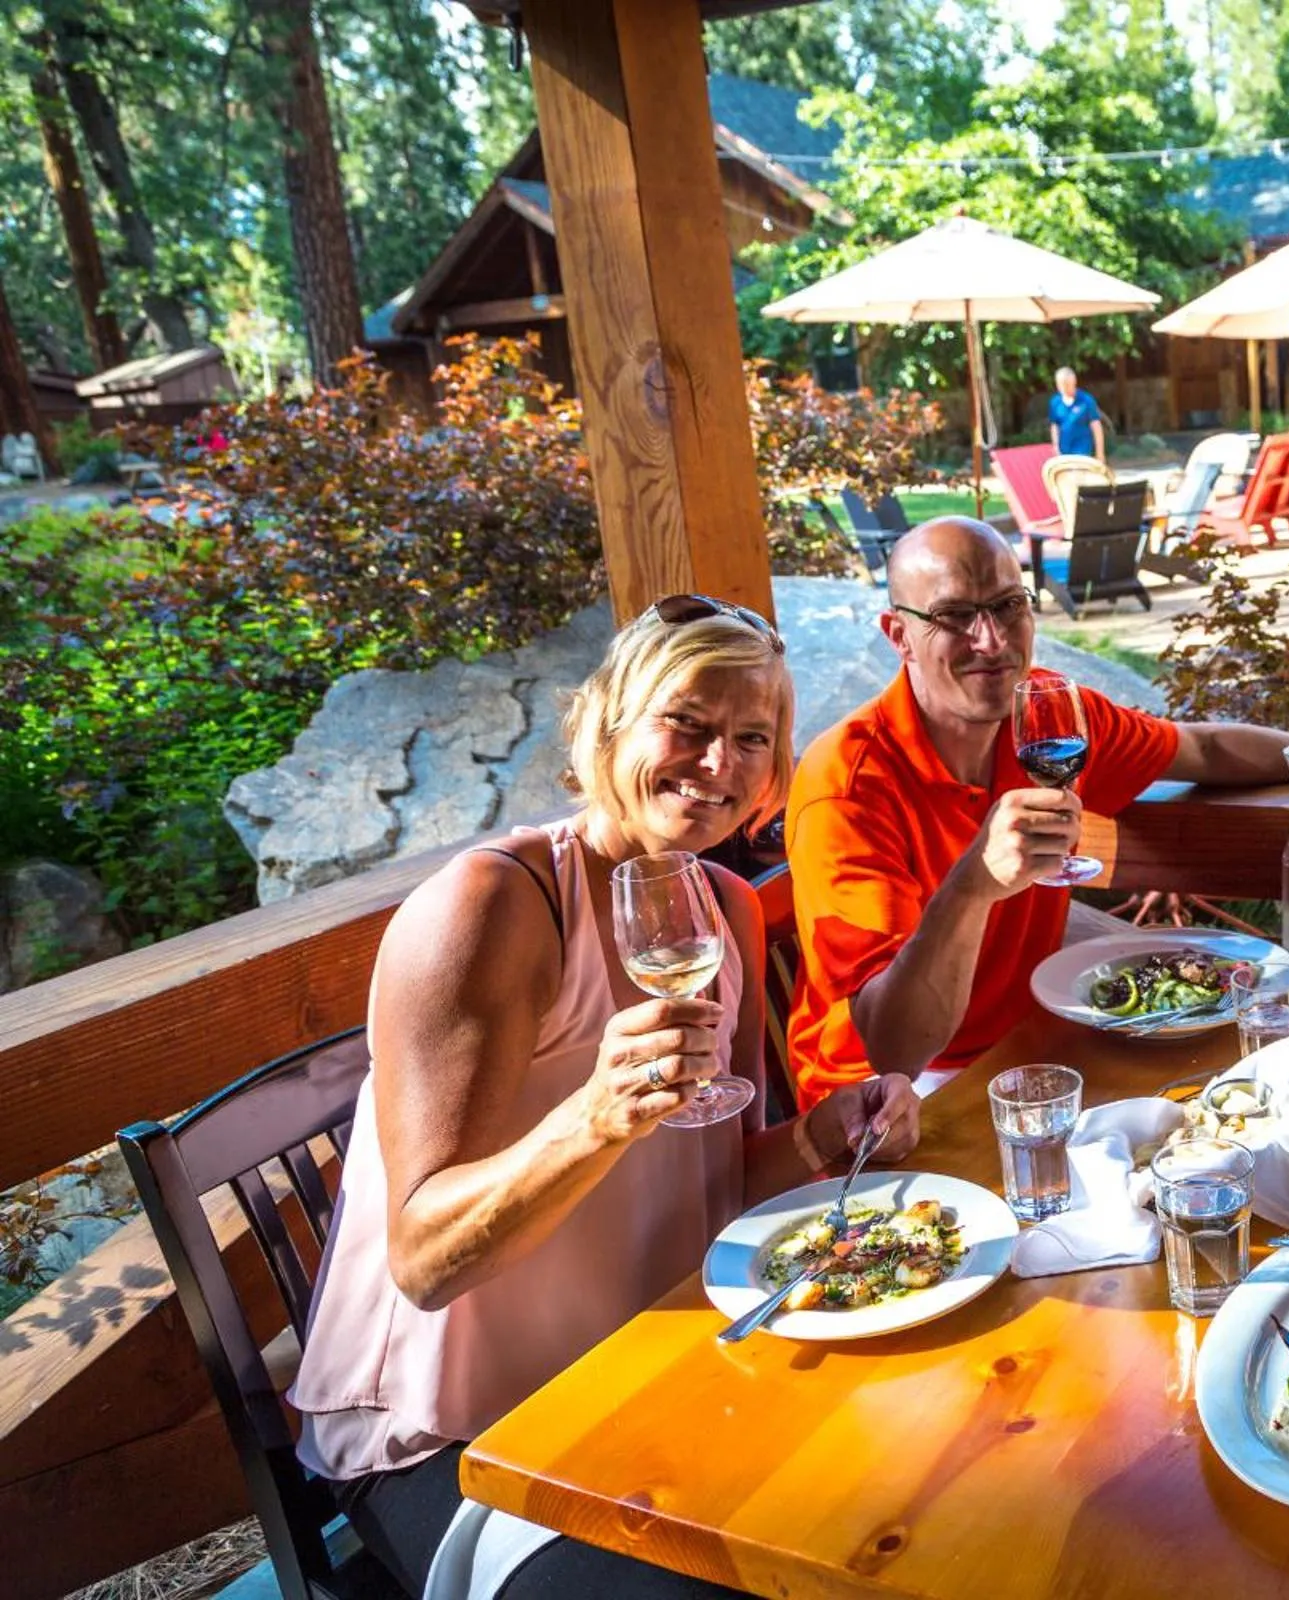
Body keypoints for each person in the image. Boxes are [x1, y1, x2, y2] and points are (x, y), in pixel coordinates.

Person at [289, 596, 921, 1597]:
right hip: (451, 1431)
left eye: (753, 737)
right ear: (608, 724)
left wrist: (820, 1133)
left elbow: (711, 1182)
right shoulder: (491, 906)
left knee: (908, 1498)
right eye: (688, 722)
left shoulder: (723, 907)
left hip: (638, 1367)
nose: (719, 763)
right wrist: (593, 1116)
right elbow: (424, 1260)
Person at [785, 517, 1289, 1107]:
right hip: (881, 1099)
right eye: (955, 616)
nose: (991, 640)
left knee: (1255, 1091)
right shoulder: (847, 787)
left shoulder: (1048, 714)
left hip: (1028, 1047)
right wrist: (972, 887)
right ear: (899, 636)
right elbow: (894, 1049)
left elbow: (1200, 750)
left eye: (1008, 605)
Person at [1048, 366, 1105, 464]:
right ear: (1058, 385)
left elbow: (1096, 427)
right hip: (1063, 451)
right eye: (1063, 385)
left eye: (1068, 384)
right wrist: (1056, 446)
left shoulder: (1086, 400)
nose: (1066, 388)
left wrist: (1100, 453)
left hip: (1082, 451)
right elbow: (1054, 425)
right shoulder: (1055, 402)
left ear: (1074, 382)